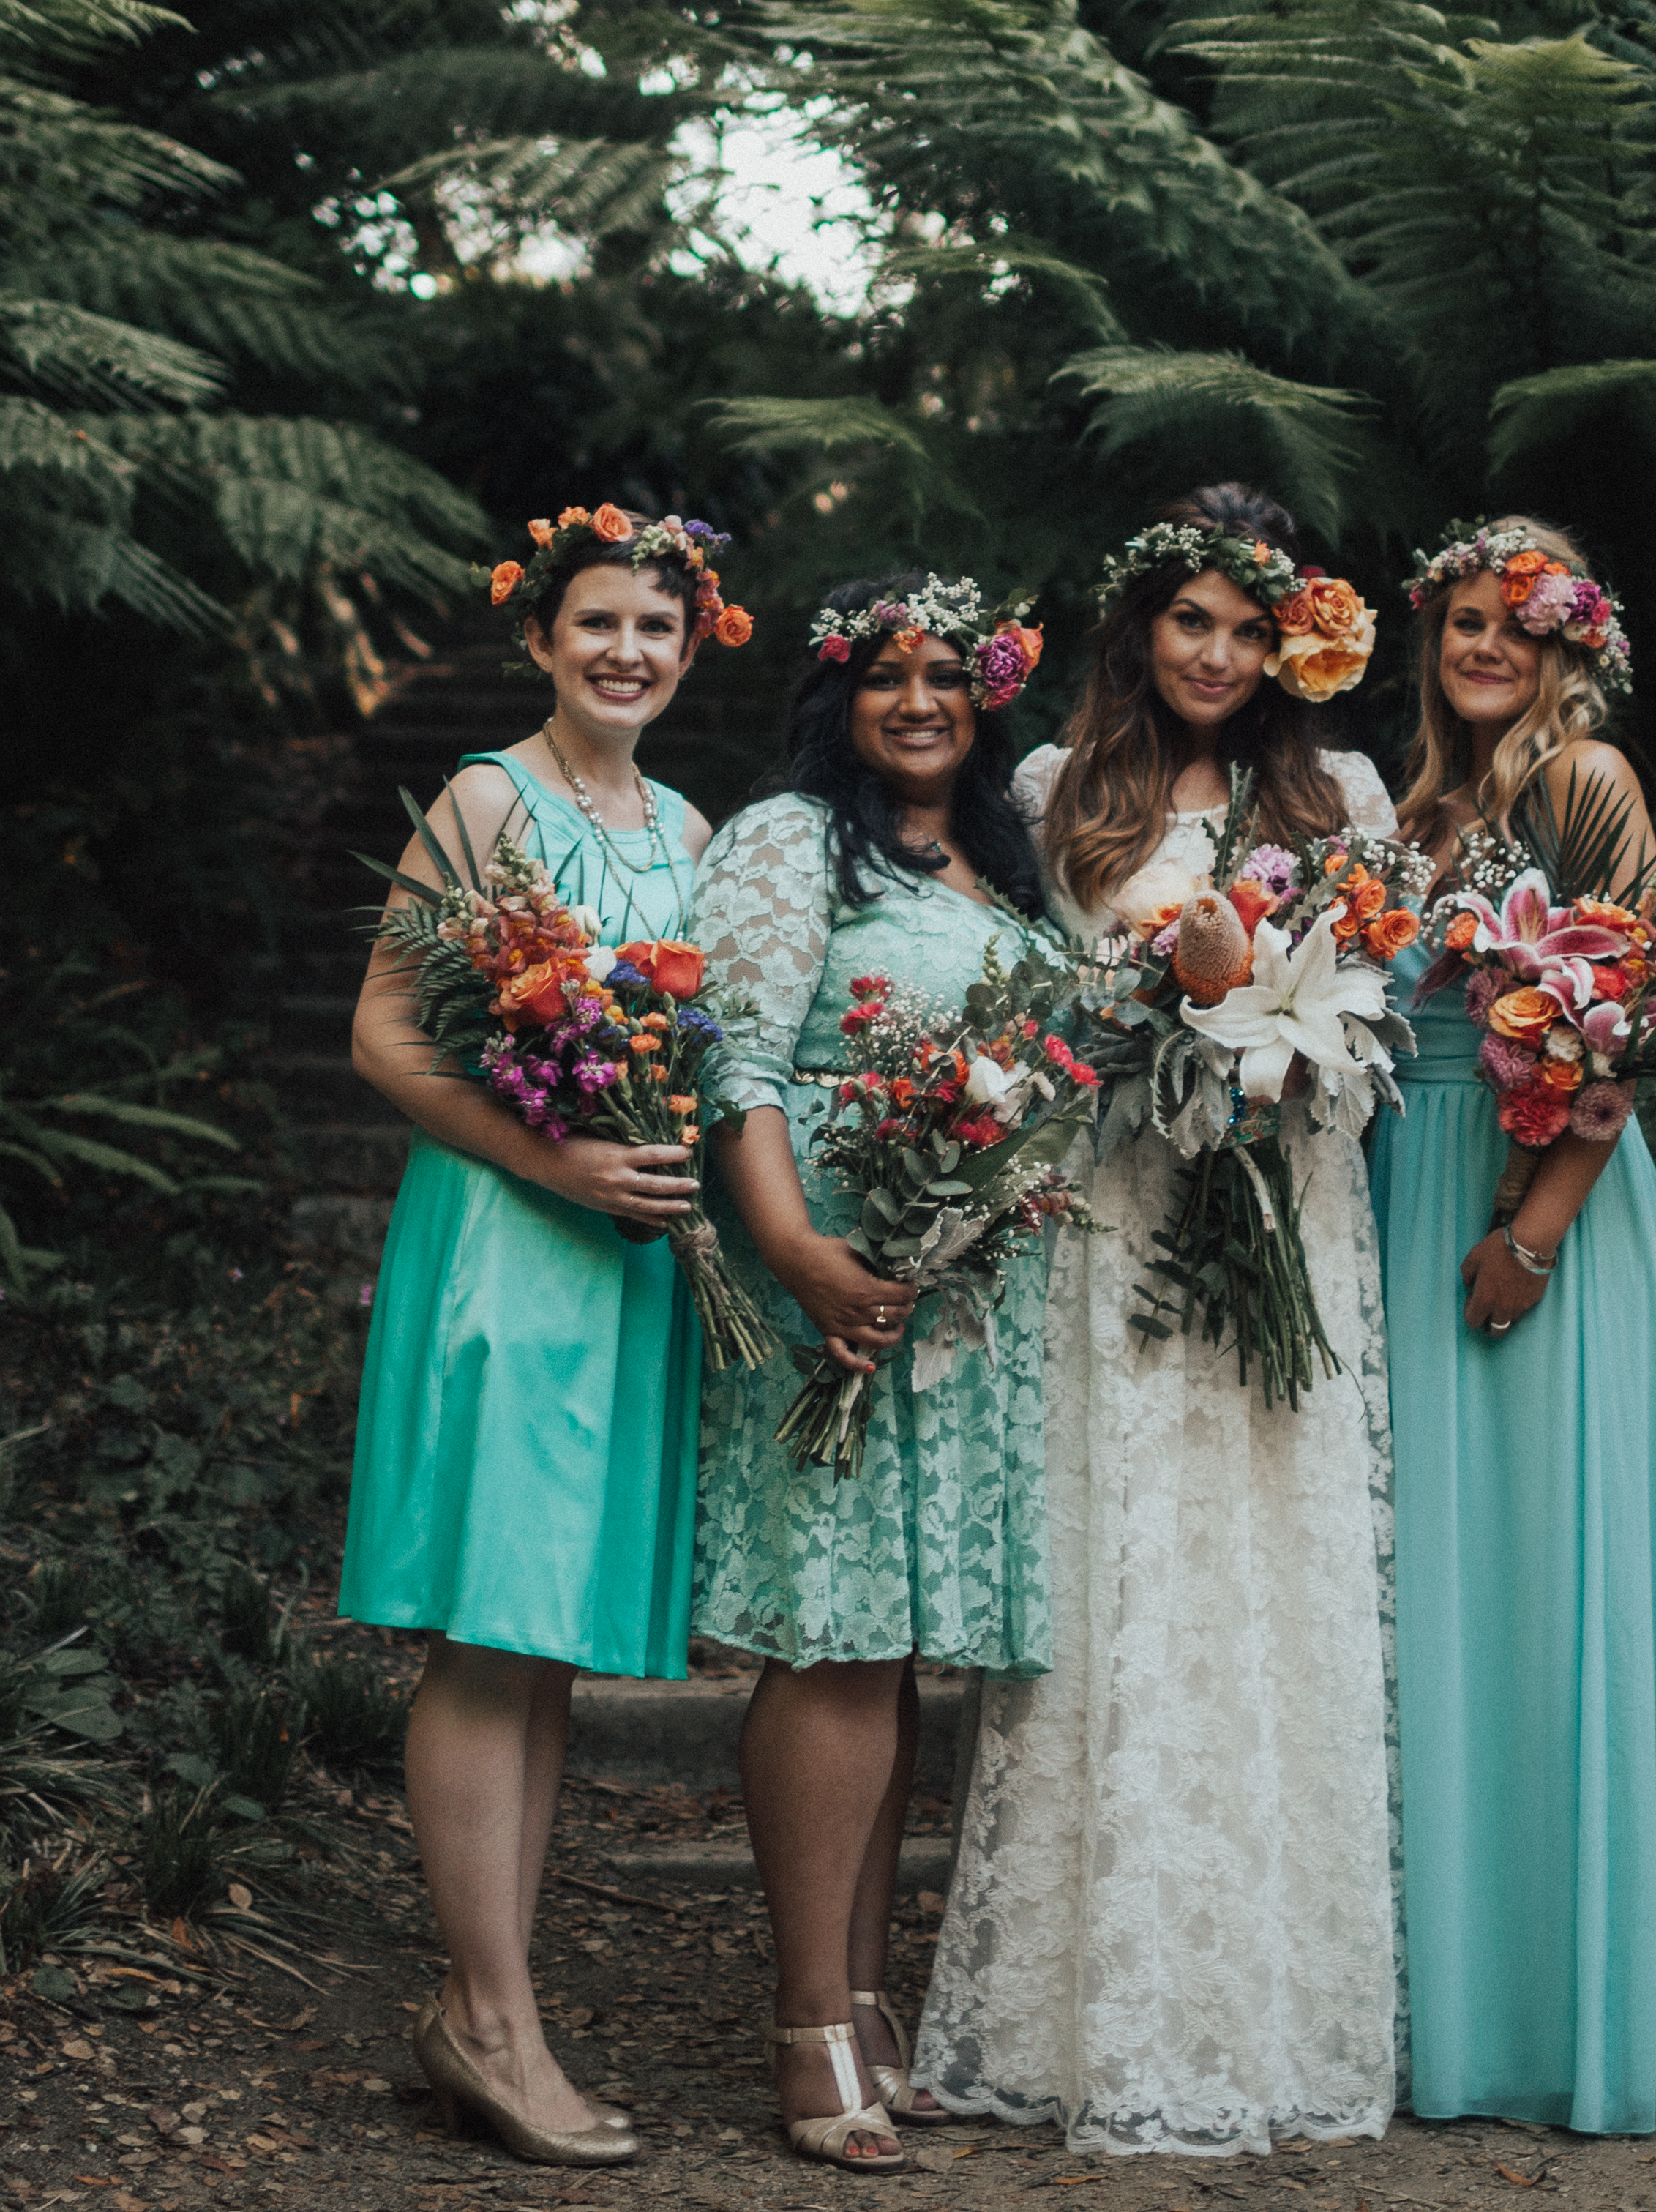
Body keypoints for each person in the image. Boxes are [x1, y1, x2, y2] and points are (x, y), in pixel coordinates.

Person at [917, 482, 1406, 2156]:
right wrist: (1157, 1012)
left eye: (1247, 625)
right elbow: (1043, 1016)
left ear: (1293, 642)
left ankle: (1270, 2012)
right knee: (1122, 1579)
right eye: (1190, 619)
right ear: (1143, 625)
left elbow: (1366, 1032)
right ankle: (1089, 2014)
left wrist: (1255, 1032)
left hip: (1282, 1215)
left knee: (1270, 1578)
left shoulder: (1339, 792)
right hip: (1119, 1225)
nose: (1216, 651)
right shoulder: (1059, 789)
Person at [337, 507, 748, 2167]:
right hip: (512, 1244)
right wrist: (559, 1159)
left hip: (634, 1264)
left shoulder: (695, 826)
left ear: (692, 641)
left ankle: (480, 2006)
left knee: (547, 1641)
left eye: (656, 626)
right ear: (541, 637)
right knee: (485, 1627)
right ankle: (494, 2024)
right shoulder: (487, 798)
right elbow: (377, 1030)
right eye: (597, 624)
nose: (626, 653)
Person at [689, 573, 1066, 2172]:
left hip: (965, 1293)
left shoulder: (1007, 863)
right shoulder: (788, 840)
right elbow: (740, 1060)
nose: (918, 702)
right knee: (833, 1636)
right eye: (885, 676)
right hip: (835, 1272)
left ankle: (860, 1990)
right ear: (839, 696)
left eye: (946, 677)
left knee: (896, 1648)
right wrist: (796, 1255)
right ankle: (804, 2026)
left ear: (987, 698)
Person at [1374, 516, 1656, 2135]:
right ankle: (1446, 2001)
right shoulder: (1424, 803)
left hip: (1536, 1205)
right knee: (1439, 1598)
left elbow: (1618, 1025)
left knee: (1541, 1588)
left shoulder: (1591, 784)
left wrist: (1535, 1234)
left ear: (1573, 644)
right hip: (1409, 1181)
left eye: (1518, 625)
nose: (1486, 648)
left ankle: (1556, 2020)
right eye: (1461, 625)